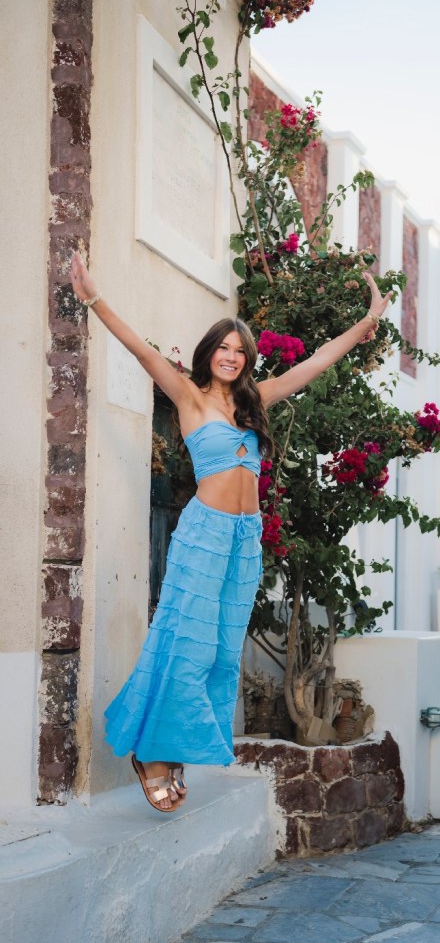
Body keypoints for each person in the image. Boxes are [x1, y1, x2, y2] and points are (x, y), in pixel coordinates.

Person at [70, 252, 390, 812]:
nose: (231, 357)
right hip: (204, 532)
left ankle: (173, 748)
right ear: (208, 352)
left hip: (244, 540)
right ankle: (156, 755)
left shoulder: (254, 402)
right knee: (184, 641)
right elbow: (141, 349)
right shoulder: (190, 397)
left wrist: (364, 327)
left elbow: (312, 365)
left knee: (219, 649)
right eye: (223, 347)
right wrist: (94, 298)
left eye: (239, 352)